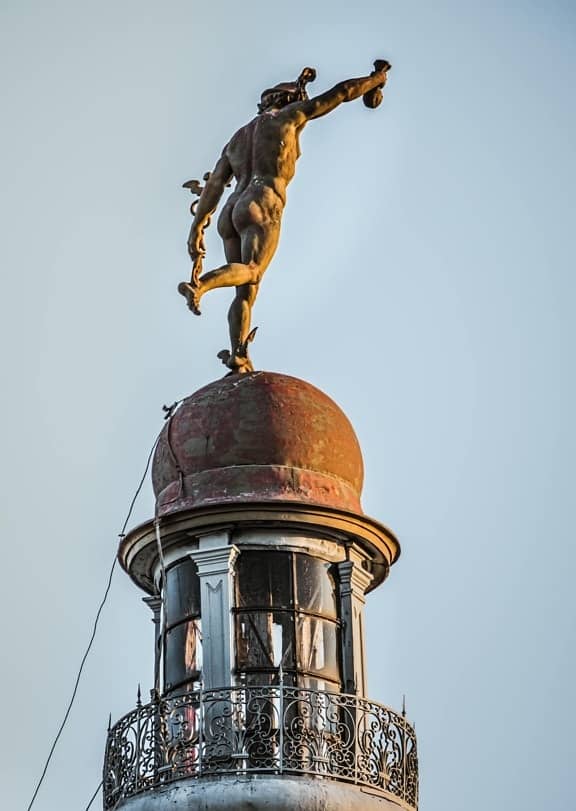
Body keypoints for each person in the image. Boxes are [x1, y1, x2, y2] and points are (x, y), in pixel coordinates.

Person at [179, 60, 391, 372]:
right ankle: (201, 286)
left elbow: (214, 185)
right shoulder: (291, 117)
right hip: (263, 199)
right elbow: (343, 92)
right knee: (251, 271)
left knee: (246, 292)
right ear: (289, 101)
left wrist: (196, 227)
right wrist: (376, 79)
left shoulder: (237, 139)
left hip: (231, 207)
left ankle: (238, 354)